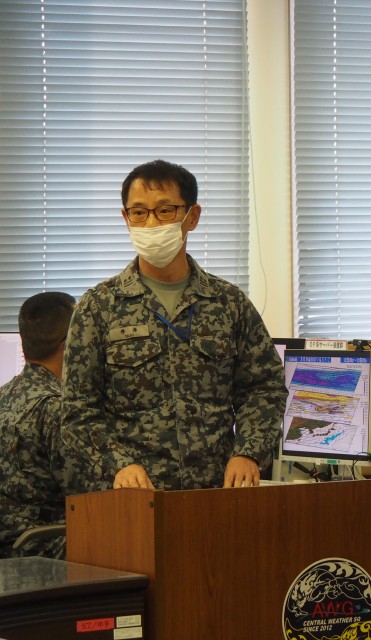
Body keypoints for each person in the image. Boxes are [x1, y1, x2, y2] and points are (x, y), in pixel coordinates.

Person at [61, 159, 286, 492]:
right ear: (126, 218)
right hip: (131, 500)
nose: (150, 223)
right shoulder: (99, 307)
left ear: (191, 217)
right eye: (138, 212)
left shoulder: (228, 303)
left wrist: (248, 453)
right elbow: (78, 411)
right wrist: (118, 464)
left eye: (165, 211)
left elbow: (264, 388)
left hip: (215, 494)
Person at [0, 291, 76, 558]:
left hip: (11, 550)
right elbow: (86, 493)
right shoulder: (56, 408)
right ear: (69, 345)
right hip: (46, 548)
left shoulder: (4, 395)